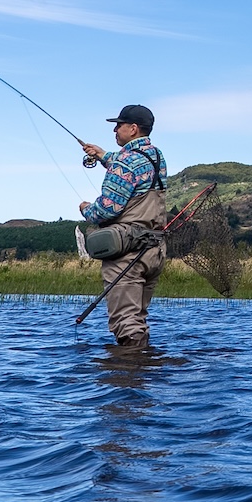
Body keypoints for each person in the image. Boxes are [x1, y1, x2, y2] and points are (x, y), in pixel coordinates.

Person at [78, 104, 169, 351]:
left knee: (126, 324)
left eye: (118, 126)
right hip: (154, 251)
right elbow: (132, 171)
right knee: (137, 318)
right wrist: (102, 156)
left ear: (133, 128)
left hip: (128, 254)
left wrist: (85, 208)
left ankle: (128, 379)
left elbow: (106, 210)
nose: (115, 130)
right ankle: (146, 371)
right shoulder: (156, 156)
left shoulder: (126, 162)